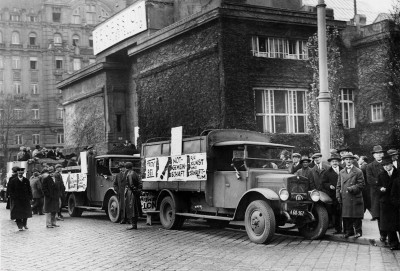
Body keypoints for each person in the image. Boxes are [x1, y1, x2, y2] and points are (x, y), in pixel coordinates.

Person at [336, 153, 365, 239]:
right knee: (347, 216)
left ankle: (358, 231)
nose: (348, 161)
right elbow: (338, 185)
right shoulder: (341, 172)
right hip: (345, 197)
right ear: (344, 161)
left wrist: (351, 188)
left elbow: (362, 184)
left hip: (355, 196)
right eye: (346, 159)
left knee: (356, 216)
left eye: (350, 159)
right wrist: (338, 195)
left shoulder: (358, 171)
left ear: (352, 160)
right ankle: (349, 231)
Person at [377, 155, 399, 250]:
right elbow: (377, 186)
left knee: (398, 223)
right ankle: (393, 243)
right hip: (386, 202)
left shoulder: (398, 173)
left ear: (392, 164)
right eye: (384, 165)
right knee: (389, 225)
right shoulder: (381, 175)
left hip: (397, 202)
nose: (386, 167)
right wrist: (380, 188)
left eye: (387, 165)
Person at [366, 145, 386, 241]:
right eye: (376, 153)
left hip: (387, 193)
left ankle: (390, 235)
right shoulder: (369, 166)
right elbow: (370, 180)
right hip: (376, 194)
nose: (379, 155)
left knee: (388, 214)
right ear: (373, 155)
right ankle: (382, 235)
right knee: (379, 216)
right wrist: (382, 182)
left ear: (383, 154)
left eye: (380, 153)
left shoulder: (387, 164)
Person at [321, 153, 343, 234]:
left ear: (339, 162)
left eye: (336, 161)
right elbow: (323, 183)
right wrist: (329, 186)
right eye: (333, 161)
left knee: (344, 211)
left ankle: (348, 228)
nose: (334, 163)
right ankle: (338, 229)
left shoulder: (343, 170)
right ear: (330, 163)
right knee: (335, 212)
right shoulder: (327, 172)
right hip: (333, 195)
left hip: (343, 194)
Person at [7, 167, 32, 231]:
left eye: (22, 173)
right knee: (17, 213)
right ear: (17, 173)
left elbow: (29, 189)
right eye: (19, 173)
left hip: (25, 199)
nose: (20, 174)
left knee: (25, 212)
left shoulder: (26, 180)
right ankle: (20, 225)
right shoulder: (13, 180)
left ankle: (24, 224)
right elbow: (10, 190)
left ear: (23, 173)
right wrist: (13, 197)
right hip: (17, 200)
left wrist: (30, 197)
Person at [124, 162, 142, 230]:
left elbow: (131, 185)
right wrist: (138, 190)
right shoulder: (135, 173)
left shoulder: (129, 174)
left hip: (131, 193)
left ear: (126, 168)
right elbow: (140, 183)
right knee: (135, 208)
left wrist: (135, 191)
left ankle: (133, 225)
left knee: (132, 209)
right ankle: (134, 224)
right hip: (135, 193)